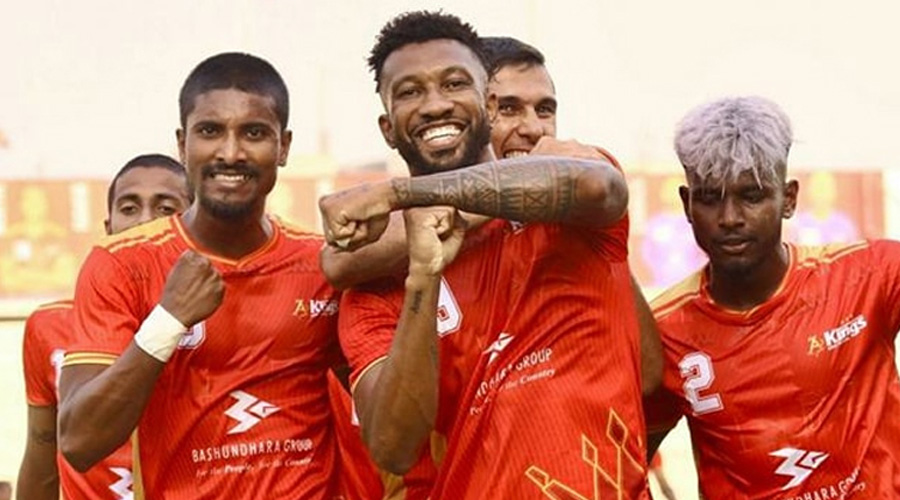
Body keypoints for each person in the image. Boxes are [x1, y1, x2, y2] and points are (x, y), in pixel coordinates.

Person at [319, 11, 654, 499]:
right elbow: (393, 449)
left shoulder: (565, 196)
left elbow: (601, 190)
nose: (435, 104)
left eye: (454, 83)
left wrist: (400, 196)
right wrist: (423, 276)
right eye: (410, 92)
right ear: (388, 128)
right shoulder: (376, 286)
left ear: (488, 103)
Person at [56, 52, 345, 499]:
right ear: (182, 143)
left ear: (284, 147)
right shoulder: (121, 264)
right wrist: (167, 322)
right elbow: (78, 442)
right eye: (210, 131)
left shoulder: (322, 264)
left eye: (253, 133)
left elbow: (392, 428)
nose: (230, 153)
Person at [644, 96, 900, 497]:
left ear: (789, 199)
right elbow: (619, 464)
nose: (730, 218)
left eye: (752, 196)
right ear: (687, 204)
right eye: (710, 198)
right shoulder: (663, 332)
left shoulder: (870, 276)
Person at [17, 154, 191, 500]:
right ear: (109, 228)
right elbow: (42, 457)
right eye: (129, 208)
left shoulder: (225, 320)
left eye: (165, 209)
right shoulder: (49, 326)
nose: (144, 222)